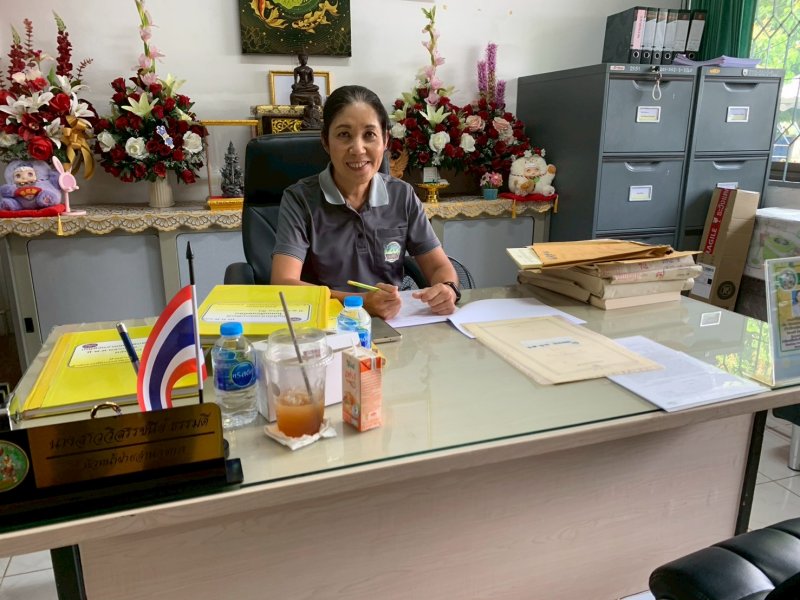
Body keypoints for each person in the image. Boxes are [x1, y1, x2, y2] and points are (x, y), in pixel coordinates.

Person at [271, 84, 460, 320]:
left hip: (393, 324)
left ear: (386, 140)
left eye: (369, 134)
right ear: (325, 142)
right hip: (322, 326)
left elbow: (439, 267)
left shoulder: (402, 195)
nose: (358, 149)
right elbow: (283, 283)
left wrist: (447, 289)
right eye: (344, 135)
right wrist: (359, 303)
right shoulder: (300, 199)